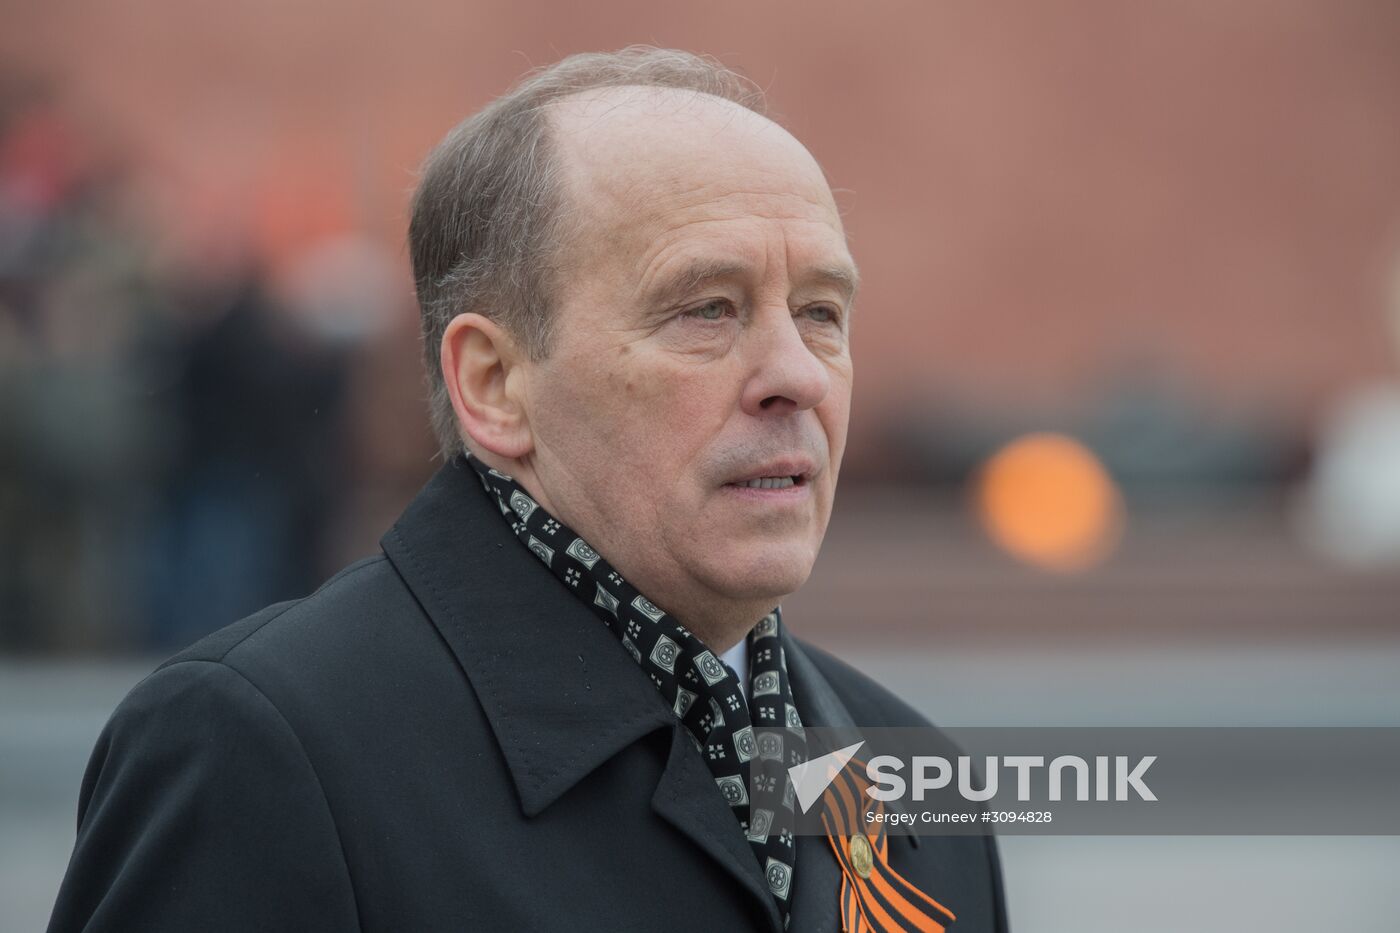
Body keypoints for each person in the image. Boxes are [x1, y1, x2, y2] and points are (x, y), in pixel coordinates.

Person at [47, 47, 1008, 932]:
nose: (795, 373)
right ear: (495, 384)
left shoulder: (913, 776)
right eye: (706, 308)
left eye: (821, 313)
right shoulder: (265, 751)